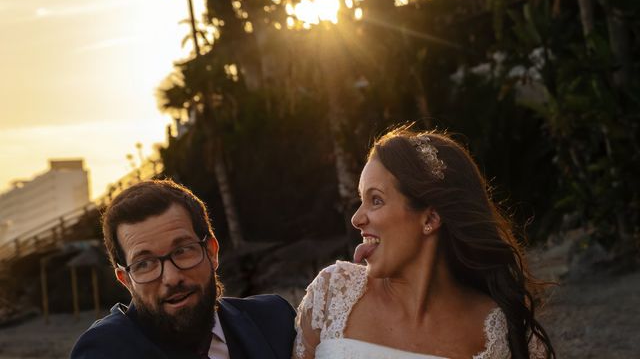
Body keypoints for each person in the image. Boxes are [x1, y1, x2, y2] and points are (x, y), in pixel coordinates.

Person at [294, 127, 555, 359]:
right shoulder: (333, 292)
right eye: (360, 199)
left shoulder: (504, 332)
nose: (356, 218)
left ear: (430, 217)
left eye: (376, 200)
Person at [70, 179, 295, 359]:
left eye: (182, 251)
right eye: (144, 264)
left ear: (211, 251)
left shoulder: (275, 318)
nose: (171, 277)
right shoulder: (103, 351)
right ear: (125, 280)